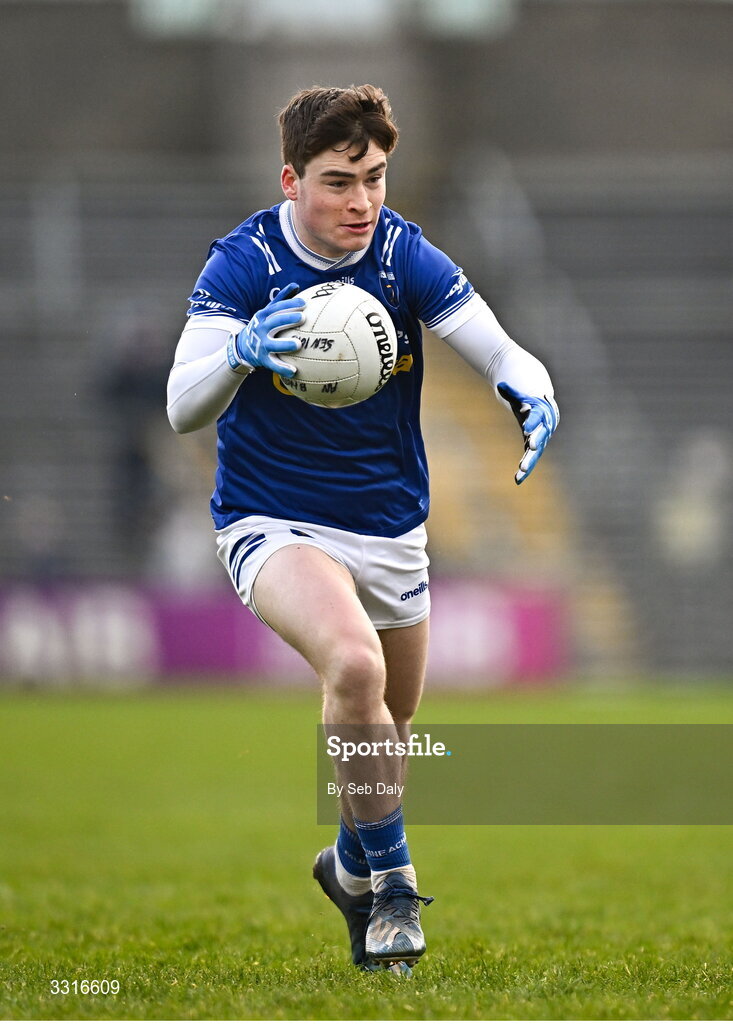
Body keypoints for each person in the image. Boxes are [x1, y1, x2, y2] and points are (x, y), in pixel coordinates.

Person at [166, 84, 559, 974]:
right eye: (339, 181)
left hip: (388, 527)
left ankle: (347, 865)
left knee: (388, 717)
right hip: (272, 520)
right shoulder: (243, 263)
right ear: (291, 179)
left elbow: (499, 347)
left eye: (375, 178)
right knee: (354, 665)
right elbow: (182, 406)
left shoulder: (399, 253)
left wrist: (531, 389)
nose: (361, 202)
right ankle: (391, 891)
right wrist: (236, 354)